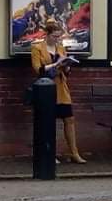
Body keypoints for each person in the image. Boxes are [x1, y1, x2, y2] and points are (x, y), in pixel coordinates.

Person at [30, 18, 87, 163]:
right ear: (47, 35)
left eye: (59, 36)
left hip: (61, 87)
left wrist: (66, 66)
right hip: (46, 88)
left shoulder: (61, 49)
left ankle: (74, 153)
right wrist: (56, 63)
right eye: (55, 36)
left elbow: (65, 71)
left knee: (69, 119)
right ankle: (50, 154)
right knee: (48, 122)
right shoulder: (37, 48)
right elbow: (38, 69)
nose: (57, 39)